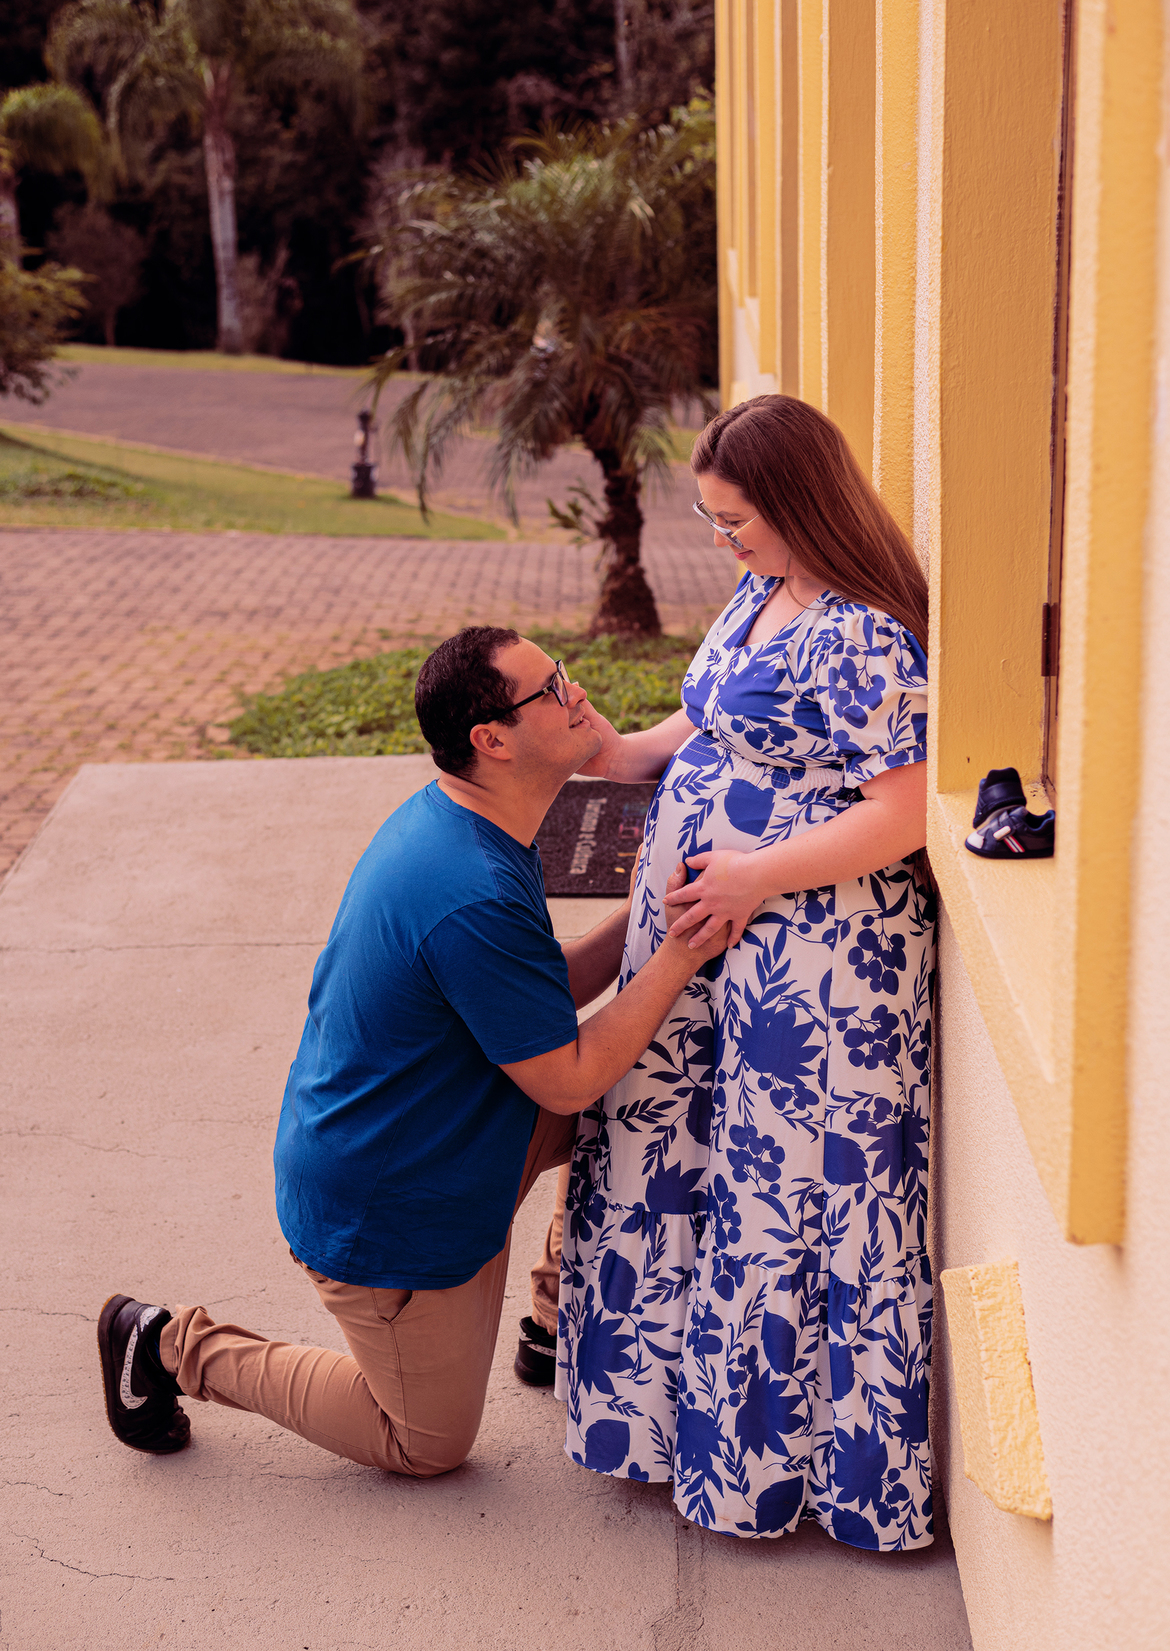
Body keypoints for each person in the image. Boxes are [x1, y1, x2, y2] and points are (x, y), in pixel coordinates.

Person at [97, 626, 729, 1474]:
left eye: (563, 673)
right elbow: (569, 1077)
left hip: (460, 1126)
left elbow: (536, 996)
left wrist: (651, 913)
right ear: (492, 739)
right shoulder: (468, 888)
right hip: (391, 1198)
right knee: (427, 1440)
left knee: (646, 1086)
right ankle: (167, 1344)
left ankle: (552, 1315)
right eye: (551, 689)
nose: (576, 691)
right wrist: (681, 949)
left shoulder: (473, 825)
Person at [555, 395, 935, 1549]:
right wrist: (624, 754)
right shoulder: (765, 588)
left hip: (816, 962)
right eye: (711, 520)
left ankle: (784, 1474)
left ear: (801, 503)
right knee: (670, 1158)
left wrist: (754, 874)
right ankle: (661, 1429)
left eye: (737, 521)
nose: (722, 539)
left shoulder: (866, 632)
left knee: (787, 1199)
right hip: (714, 938)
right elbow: (713, 716)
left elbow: (906, 809)